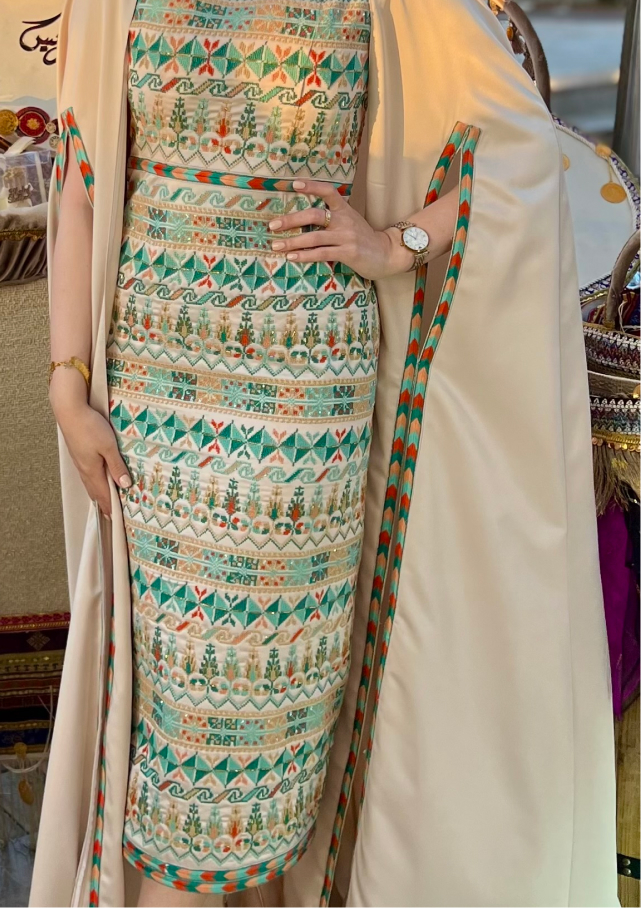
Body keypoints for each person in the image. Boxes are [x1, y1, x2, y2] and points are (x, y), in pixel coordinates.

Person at [31, 1, 618, 906]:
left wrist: (395, 244)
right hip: (157, 400)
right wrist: (66, 385)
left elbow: (519, 153)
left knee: (268, 727)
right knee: (174, 719)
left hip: (305, 410)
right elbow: (79, 181)